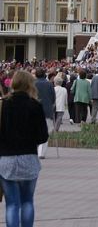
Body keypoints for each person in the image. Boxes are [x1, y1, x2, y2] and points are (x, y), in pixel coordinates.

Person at [0, 71, 49, 227]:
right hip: (28, 157)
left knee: (12, 204)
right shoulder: (35, 105)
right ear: (30, 84)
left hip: (7, 159)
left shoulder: (4, 104)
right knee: (27, 201)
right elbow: (43, 136)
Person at [34, 68, 55, 159]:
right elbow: (53, 98)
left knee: (34, 131)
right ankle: (41, 153)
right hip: (47, 110)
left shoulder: (33, 84)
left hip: (34, 110)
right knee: (46, 131)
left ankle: (35, 149)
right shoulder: (49, 84)